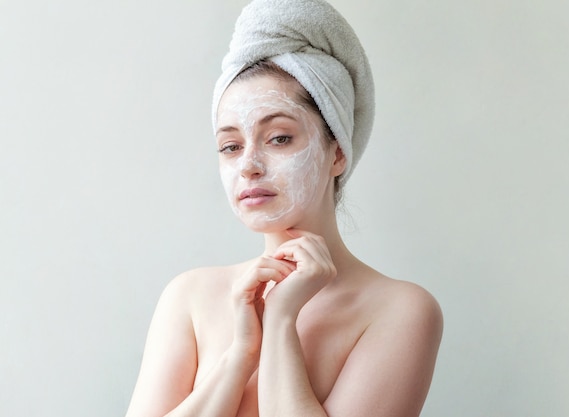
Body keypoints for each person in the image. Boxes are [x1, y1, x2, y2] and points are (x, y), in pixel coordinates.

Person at [125, 0, 443, 416]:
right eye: (231, 146)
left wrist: (280, 323)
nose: (249, 166)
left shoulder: (401, 311)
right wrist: (240, 356)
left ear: (337, 153)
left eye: (279, 138)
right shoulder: (190, 296)